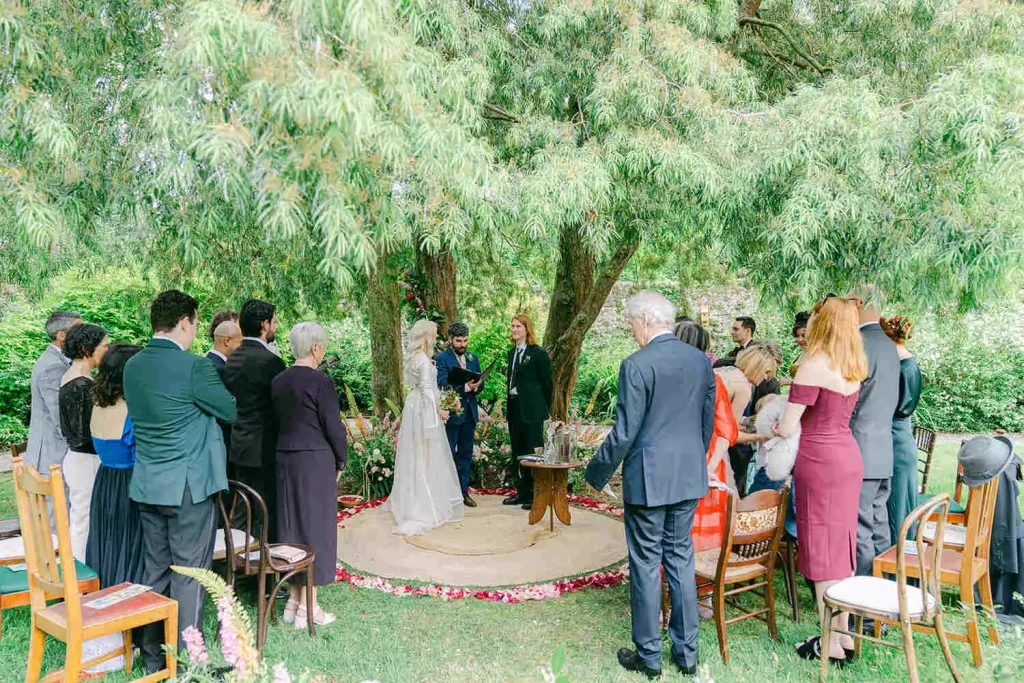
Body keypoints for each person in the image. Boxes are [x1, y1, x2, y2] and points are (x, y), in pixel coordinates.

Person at [585, 291, 716, 678]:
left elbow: (625, 432)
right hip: (687, 476)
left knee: (645, 564)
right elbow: (705, 424)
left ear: (645, 319)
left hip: (648, 478)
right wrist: (693, 461)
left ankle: (649, 656)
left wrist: (596, 473)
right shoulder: (700, 361)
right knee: (680, 559)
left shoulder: (636, 365)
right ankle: (687, 653)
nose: (631, 332)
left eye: (630, 324)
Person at [124, 290, 236, 674]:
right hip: (188, 487)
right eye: (193, 327)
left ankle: (154, 658)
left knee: (154, 570)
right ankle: (191, 664)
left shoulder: (132, 366)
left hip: (147, 483)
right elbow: (229, 409)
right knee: (190, 574)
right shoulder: (194, 367)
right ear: (186, 322)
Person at [773, 296, 867, 665]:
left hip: (820, 459)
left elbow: (788, 426)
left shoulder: (812, 364)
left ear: (823, 322)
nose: (808, 323)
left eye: (813, 317)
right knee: (840, 545)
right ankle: (841, 633)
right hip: (847, 455)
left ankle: (827, 640)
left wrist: (772, 425)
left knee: (821, 549)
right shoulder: (852, 363)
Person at [271, 322, 347, 628]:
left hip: (284, 459)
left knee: (291, 528)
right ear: (316, 348)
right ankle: (309, 609)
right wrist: (341, 461)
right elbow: (334, 427)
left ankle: (293, 600)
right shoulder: (321, 382)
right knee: (315, 530)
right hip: (314, 461)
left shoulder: (278, 380)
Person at [675, 320, 739, 622]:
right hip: (712, 464)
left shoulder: (669, 379)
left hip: (682, 464)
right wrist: (710, 468)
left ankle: (675, 596)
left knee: (679, 530)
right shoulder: (714, 380)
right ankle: (702, 597)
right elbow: (727, 432)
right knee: (704, 535)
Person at [385, 320, 465, 536]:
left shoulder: (417, 357)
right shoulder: (421, 358)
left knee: (420, 452)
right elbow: (427, 389)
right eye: (434, 334)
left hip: (417, 405)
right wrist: (439, 410)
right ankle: (421, 503)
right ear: (426, 336)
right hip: (423, 408)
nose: (437, 338)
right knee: (423, 451)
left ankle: (419, 495)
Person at [848, 287, 900, 579]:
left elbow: (851, 401)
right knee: (880, 526)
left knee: (859, 529)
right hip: (883, 451)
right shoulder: (890, 345)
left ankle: (865, 613)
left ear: (856, 304)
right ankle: (885, 595)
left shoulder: (861, 344)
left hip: (860, 449)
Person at [224, 299, 286, 541]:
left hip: (239, 445)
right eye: (274, 322)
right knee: (264, 510)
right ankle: (261, 568)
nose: (275, 326)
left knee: (242, 507)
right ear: (264, 324)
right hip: (265, 448)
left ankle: (237, 560)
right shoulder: (271, 362)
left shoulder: (233, 358)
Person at [87, 343, 146, 588]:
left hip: (105, 480)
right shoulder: (132, 410)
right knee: (128, 538)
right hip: (129, 482)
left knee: (108, 537)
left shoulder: (98, 406)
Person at [59, 323, 109, 561]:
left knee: (83, 519)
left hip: (79, 459)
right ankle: (78, 579)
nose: (107, 350)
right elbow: (83, 433)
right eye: (104, 346)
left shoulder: (75, 376)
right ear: (89, 348)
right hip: (85, 461)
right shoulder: (81, 383)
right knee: (84, 522)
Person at [503, 314, 553, 509]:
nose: (514, 330)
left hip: (532, 410)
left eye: (518, 327)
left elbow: (547, 384)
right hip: (514, 407)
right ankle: (522, 493)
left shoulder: (538, 353)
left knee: (534, 452)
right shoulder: (511, 353)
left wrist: (543, 408)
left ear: (527, 329)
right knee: (518, 451)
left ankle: (536, 494)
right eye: (513, 326)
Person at [880, 316, 923, 544]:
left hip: (897, 441)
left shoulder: (904, 367)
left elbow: (898, 409)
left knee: (897, 507)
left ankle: (896, 564)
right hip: (899, 438)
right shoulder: (905, 363)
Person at [714, 343, 778, 495]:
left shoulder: (723, 372)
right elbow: (729, 435)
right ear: (756, 366)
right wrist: (761, 437)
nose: (766, 378)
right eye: (766, 372)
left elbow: (723, 423)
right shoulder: (743, 387)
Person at [25, 311, 81, 478]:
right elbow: (62, 419)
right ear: (62, 335)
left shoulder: (58, 361)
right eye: (78, 330)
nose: (82, 334)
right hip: (52, 461)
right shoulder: (53, 367)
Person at [435, 321, 484, 508]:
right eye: (458, 341)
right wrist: (465, 387)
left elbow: (481, 383)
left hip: (470, 414)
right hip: (452, 414)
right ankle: (445, 494)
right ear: (450, 340)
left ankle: (463, 492)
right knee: (447, 454)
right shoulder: (442, 359)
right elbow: (441, 384)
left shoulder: (473, 357)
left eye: (465, 340)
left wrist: (478, 386)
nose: (463, 344)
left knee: (465, 454)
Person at [780, 311, 811, 387]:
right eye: (797, 336)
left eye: (803, 335)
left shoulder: (818, 355)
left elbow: (816, 382)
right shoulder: (801, 355)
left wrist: (789, 381)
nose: (799, 339)